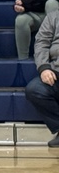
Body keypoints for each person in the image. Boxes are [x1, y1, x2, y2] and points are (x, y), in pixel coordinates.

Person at [24, 9, 59, 147]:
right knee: (34, 89)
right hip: (56, 71)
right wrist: (44, 68)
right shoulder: (53, 16)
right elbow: (41, 43)